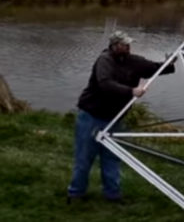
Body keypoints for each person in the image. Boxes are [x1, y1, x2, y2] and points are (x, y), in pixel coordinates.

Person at [67, 32, 176, 203]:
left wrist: (169, 64)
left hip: (115, 118)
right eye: (123, 45)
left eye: (128, 45)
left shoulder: (134, 61)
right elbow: (105, 83)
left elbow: (153, 68)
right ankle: (76, 194)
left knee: (112, 158)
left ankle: (113, 195)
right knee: (84, 158)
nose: (127, 47)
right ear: (114, 46)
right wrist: (130, 91)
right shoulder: (104, 60)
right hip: (92, 116)